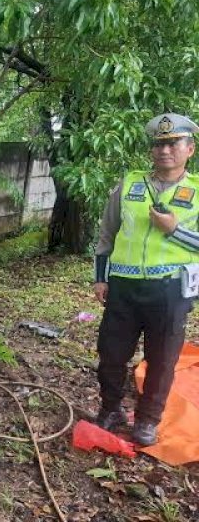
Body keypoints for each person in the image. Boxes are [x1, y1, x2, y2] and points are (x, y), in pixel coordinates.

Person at [93, 112, 199, 446]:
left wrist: (175, 231)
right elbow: (107, 234)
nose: (164, 150)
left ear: (190, 149)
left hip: (170, 289)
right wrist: (100, 277)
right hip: (123, 286)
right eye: (158, 144)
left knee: (163, 359)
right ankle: (110, 409)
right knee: (111, 354)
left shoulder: (197, 191)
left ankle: (147, 420)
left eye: (173, 143)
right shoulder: (129, 184)